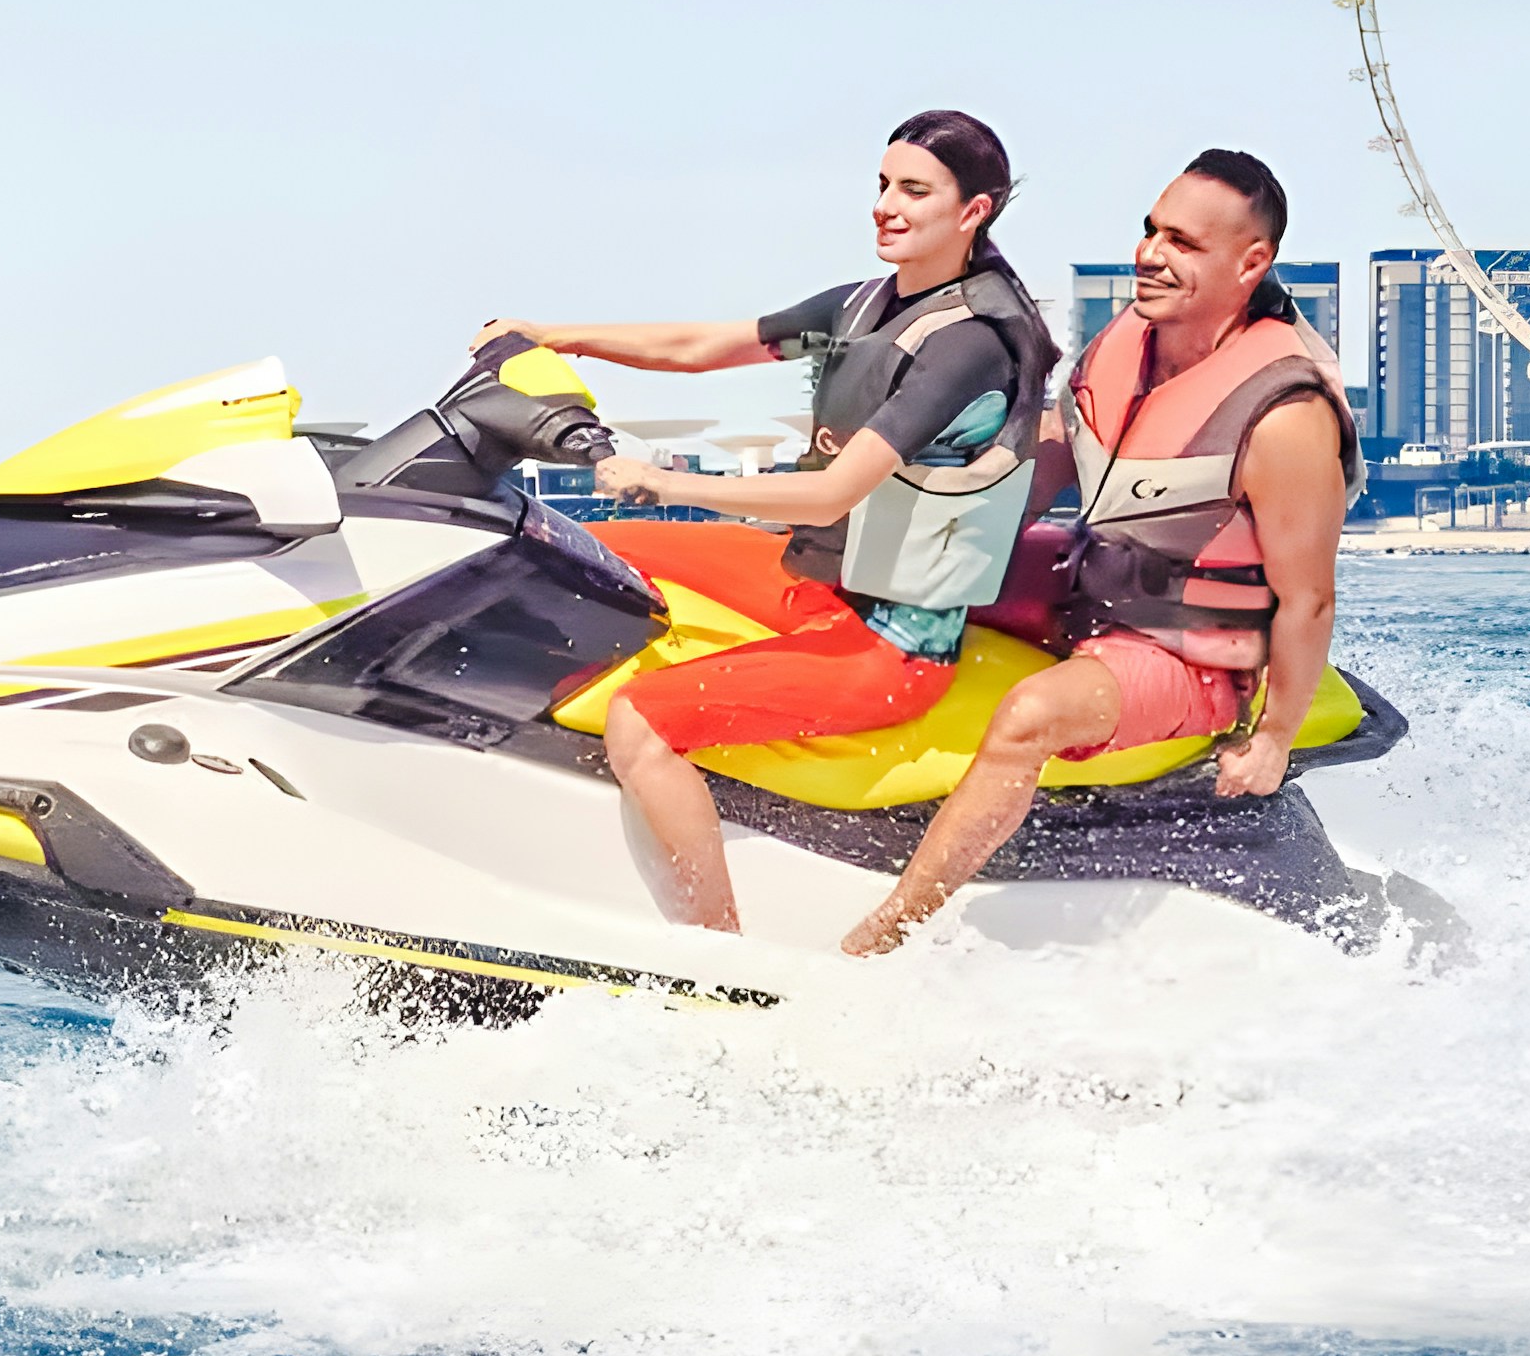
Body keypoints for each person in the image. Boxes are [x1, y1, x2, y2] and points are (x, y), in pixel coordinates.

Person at [482, 111, 1052, 933]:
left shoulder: (969, 345)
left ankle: (718, 950)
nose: (886, 205)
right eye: (883, 185)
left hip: (890, 643)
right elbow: (705, 346)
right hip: (811, 580)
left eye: (914, 190)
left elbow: (831, 496)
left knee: (639, 722)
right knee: (581, 542)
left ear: (974, 212)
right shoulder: (865, 303)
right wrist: (556, 336)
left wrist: (663, 478)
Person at [839, 147, 1352, 958]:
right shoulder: (1130, 338)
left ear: (1251, 263)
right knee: (870, 554)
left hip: (1188, 654)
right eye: (1151, 231)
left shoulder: (1286, 417)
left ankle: (885, 935)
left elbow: (1308, 598)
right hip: (1091, 578)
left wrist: (1275, 739)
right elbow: (1062, 442)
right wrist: (938, 506)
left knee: (1028, 716)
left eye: (1183, 242)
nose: (1150, 253)